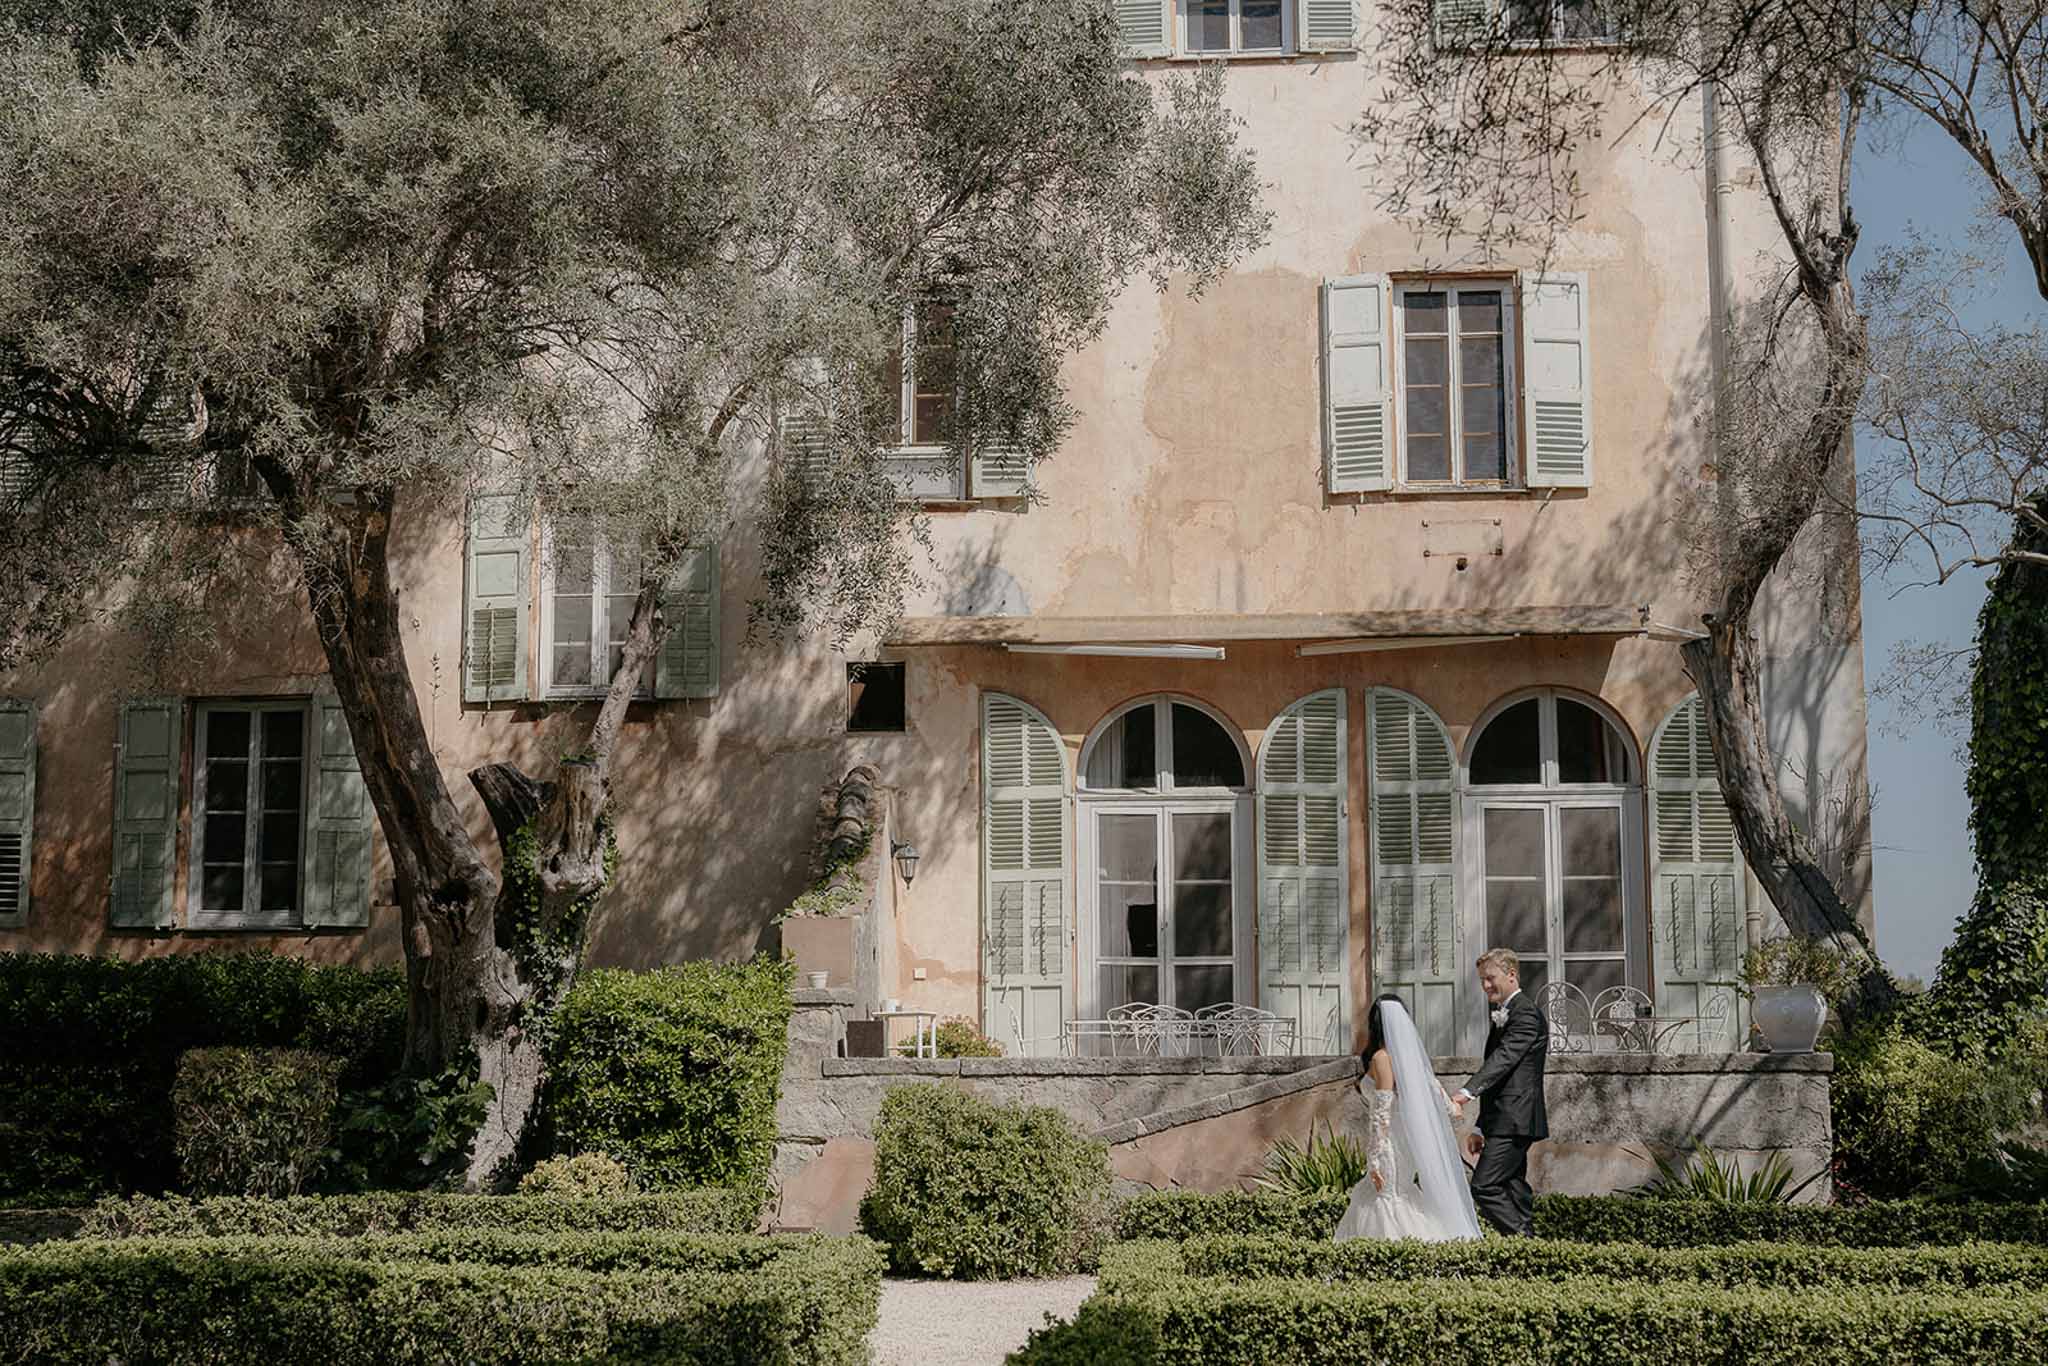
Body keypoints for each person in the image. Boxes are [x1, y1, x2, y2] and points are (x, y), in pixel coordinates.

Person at [1333, 993, 1483, 1243]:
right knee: (1399, 1194)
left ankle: (1395, 1252)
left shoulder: (1382, 1058)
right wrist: (1454, 1107)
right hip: (1405, 1142)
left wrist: (1374, 1158)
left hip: (1389, 1144)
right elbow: (1437, 1092)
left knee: (1388, 1198)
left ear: (1374, 1023)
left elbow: (1381, 1114)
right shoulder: (1408, 1061)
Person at [1450, 948, 1550, 1236]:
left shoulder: (1526, 1014)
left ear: (1511, 975)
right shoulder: (1505, 1013)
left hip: (1516, 1117)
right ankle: (1528, 1258)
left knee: (1484, 1186)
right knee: (1513, 1187)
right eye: (1482, 980)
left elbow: (1504, 1059)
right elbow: (1501, 1077)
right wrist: (1481, 1127)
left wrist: (1467, 1092)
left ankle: (1525, 1242)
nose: (1485, 986)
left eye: (1490, 978)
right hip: (1503, 1118)